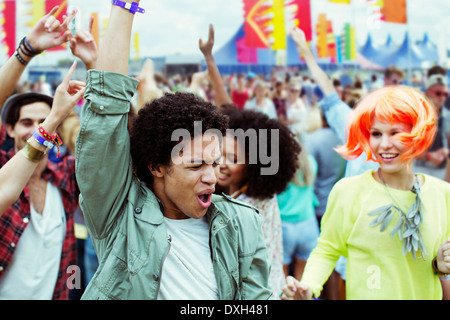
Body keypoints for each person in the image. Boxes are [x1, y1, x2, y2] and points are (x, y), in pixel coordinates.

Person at [75, 1, 271, 300]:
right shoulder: (120, 216)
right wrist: (124, 7)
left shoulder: (242, 223)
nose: (211, 177)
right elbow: (107, 109)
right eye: (195, 166)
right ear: (157, 166)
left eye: (214, 163)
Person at [281, 85, 450, 300]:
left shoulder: (442, 194)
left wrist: (441, 266)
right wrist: (308, 287)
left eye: (395, 133)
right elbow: (327, 250)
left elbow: (432, 264)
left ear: (416, 135)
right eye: (376, 134)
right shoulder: (347, 191)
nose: (384, 144)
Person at [0, 7, 83, 300]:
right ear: (8, 129)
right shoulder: (2, 174)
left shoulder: (68, 176)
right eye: (26, 123)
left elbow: (113, 148)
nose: (35, 130)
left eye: (42, 122)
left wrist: (94, 63)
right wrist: (27, 50)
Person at [276, 140, 319, 282]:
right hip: (308, 224)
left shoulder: (279, 168)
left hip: (284, 226)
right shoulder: (311, 162)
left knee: (282, 278)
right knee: (304, 281)